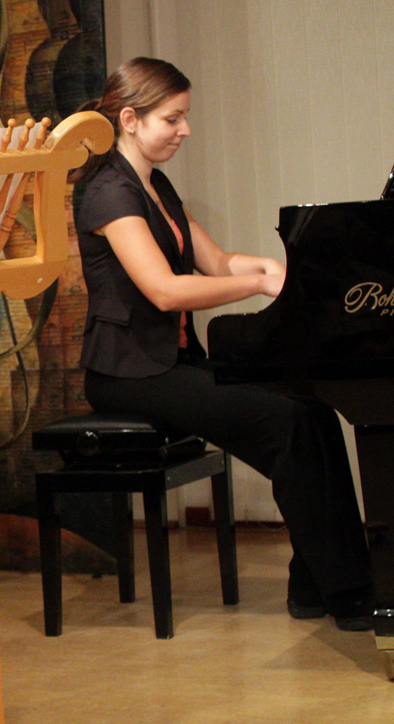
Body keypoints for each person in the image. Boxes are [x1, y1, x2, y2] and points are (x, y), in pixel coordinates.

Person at [72, 57, 374, 632]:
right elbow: (165, 291)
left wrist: (277, 267)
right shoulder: (108, 192)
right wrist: (257, 285)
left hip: (170, 364)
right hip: (129, 373)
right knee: (287, 423)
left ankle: (315, 582)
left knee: (312, 410)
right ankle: (348, 590)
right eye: (173, 118)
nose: (185, 130)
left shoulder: (155, 185)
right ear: (131, 119)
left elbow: (215, 262)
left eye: (184, 117)